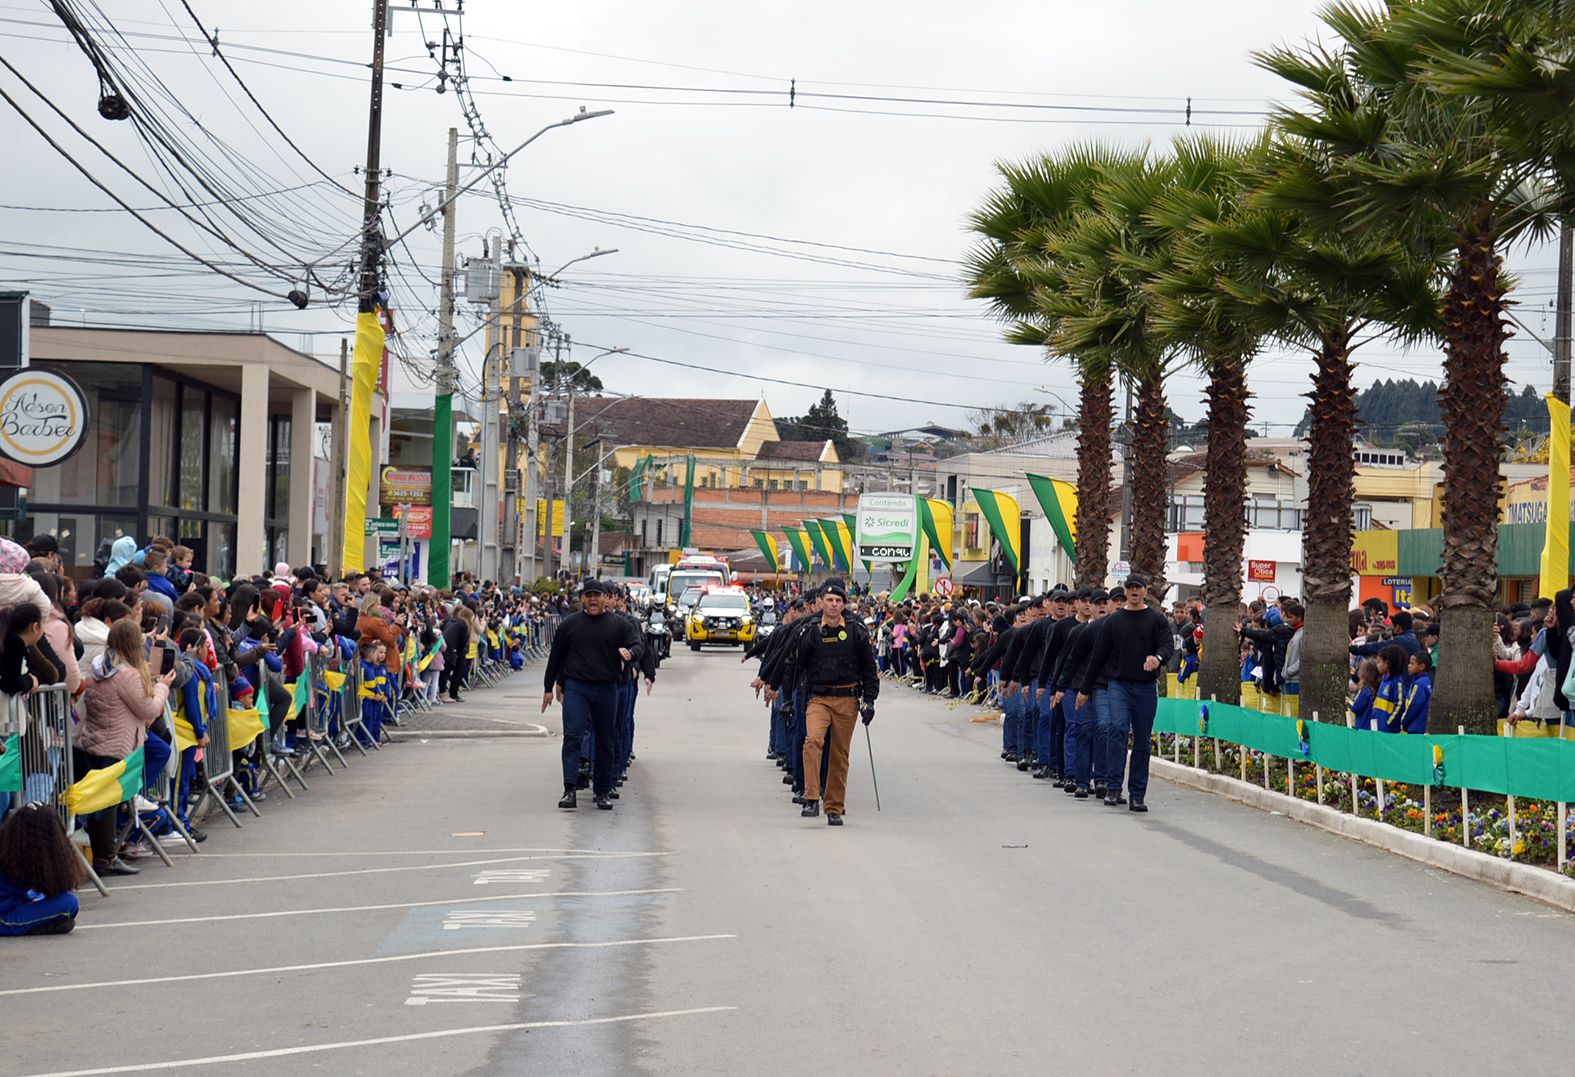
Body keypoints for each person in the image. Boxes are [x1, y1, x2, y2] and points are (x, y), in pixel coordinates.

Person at [75, 619, 174, 876]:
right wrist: (162, 687)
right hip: (117, 745)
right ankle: (106, 859)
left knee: (101, 805)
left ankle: (104, 858)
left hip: (93, 740)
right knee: (107, 806)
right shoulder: (127, 674)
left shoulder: (99, 666)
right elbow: (149, 709)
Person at [782, 579, 879, 827]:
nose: (834, 605)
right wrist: (788, 700)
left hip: (847, 700)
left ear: (844, 604)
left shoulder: (856, 630)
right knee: (812, 741)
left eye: (838, 601)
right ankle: (812, 796)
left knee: (839, 754)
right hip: (819, 699)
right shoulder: (810, 631)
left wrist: (869, 700)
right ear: (821, 604)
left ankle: (834, 807)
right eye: (830, 600)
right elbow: (794, 666)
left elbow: (869, 668)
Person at [541, 580, 643, 811]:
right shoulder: (569, 625)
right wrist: (550, 686)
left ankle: (602, 791)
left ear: (605, 598)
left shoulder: (618, 625)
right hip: (577, 687)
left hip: (608, 688)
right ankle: (569, 789)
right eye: (589, 596)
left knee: (606, 739)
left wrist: (630, 654)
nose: (593, 599)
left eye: (597, 595)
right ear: (583, 599)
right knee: (573, 736)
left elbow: (637, 645)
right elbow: (556, 656)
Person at [1078, 574, 1172, 813]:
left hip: (1145, 687)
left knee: (1142, 739)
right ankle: (1113, 788)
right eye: (1129, 587)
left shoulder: (1156, 619)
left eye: (1137, 587)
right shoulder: (1114, 621)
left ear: (1145, 591)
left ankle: (1137, 795)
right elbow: (1097, 657)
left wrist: (1157, 658)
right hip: (1118, 685)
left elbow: (1167, 646)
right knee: (1117, 729)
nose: (1133, 591)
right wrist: (1085, 689)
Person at [0, 804, 81, 936]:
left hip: (12, 903)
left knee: (41, 896)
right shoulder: (25, 855)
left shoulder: (10, 846)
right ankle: (34, 925)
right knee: (69, 903)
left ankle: (37, 923)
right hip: (4, 918)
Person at [1396, 651, 1433, 734]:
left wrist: (1404, 722)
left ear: (1421, 667)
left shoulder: (1419, 684)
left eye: (1412, 664)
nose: (1408, 666)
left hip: (1415, 728)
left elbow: (1413, 706)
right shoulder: (1424, 680)